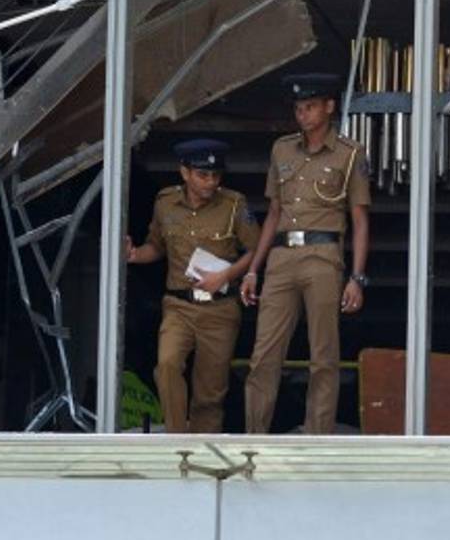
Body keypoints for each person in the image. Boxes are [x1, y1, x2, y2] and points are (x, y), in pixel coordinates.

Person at [242, 73, 371, 434]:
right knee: (263, 356)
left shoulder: (349, 154)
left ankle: (317, 439)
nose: (303, 114)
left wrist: (357, 278)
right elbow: (273, 213)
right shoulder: (281, 149)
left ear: (329, 107)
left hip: (324, 255)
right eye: (299, 108)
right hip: (281, 258)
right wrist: (254, 269)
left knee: (323, 357)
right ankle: (255, 437)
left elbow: (359, 219)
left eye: (311, 107)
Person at [125, 138, 260, 433]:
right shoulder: (165, 202)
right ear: (184, 173)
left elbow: (256, 250)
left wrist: (225, 276)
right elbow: (156, 247)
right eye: (202, 175)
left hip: (220, 310)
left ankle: (201, 454)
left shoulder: (234, 204)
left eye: (215, 175)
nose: (210, 182)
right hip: (179, 306)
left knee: (210, 393)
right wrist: (134, 255)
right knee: (168, 366)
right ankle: (177, 440)